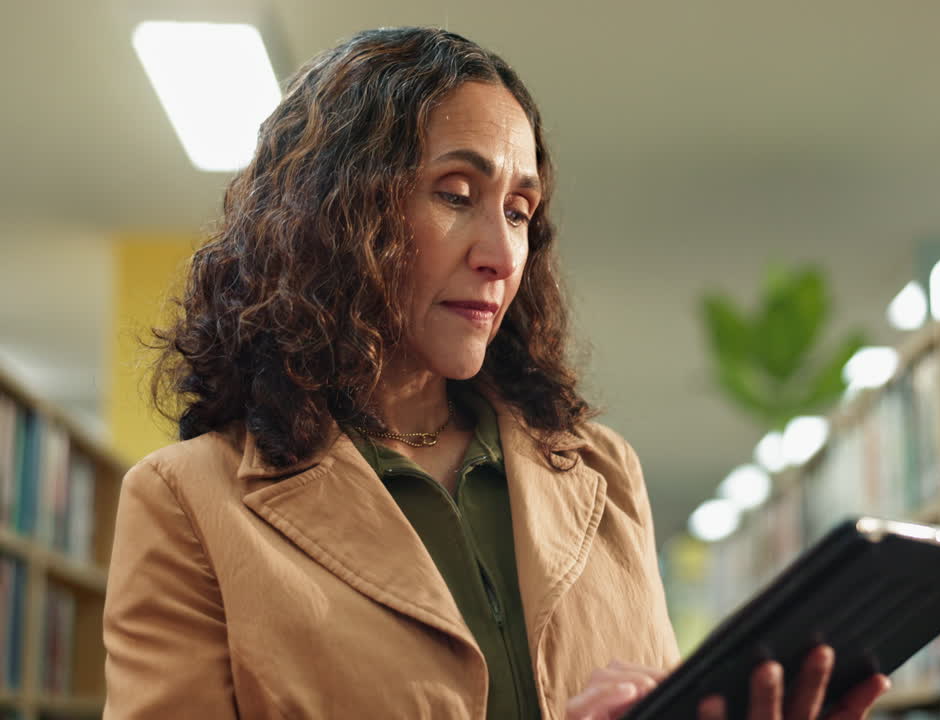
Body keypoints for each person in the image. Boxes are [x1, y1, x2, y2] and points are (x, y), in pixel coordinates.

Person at [102, 27, 890, 720]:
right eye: (456, 194)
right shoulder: (185, 503)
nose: (502, 253)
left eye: (519, 209)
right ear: (335, 217)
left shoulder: (605, 473)